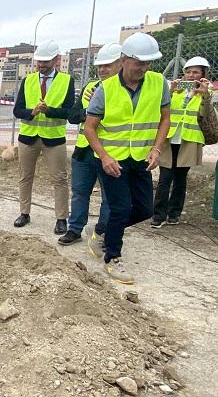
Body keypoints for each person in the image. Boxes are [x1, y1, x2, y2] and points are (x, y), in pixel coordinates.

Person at [85, 32, 171, 285]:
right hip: (112, 160)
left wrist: (156, 149)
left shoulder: (158, 83)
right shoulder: (106, 89)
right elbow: (90, 127)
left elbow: (165, 119)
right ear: (124, 60)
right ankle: (112, 257)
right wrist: (104, 157)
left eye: (148, 63)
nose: (143, 68)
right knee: (121, 207)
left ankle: (101, 230)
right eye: (138, 63)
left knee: (144, 209)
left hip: (141, 158)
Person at [58, 43, 121, 248]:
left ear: (121, 64)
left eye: (107, 65)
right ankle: (75, 229)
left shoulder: (124, 91)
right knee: (80, 191)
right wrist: (89, 111)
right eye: (100, 66)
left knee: (109, 196)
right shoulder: (90, 87)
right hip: (85, 150)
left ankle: (103, 231)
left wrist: (99, 107)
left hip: (111, 151)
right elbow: (73, 116)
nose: (102, 70)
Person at [12, 39, 75, 234]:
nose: (41, 65)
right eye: (39, 62)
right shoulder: (28, 80)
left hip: (53, 139)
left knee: (60, 179)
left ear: (56, 60)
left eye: (45, 62)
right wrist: (31, 112)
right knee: (25, 177)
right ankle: (24, 213)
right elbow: (17, 110)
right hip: (28, 137)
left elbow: (70, 112)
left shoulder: (67, 81)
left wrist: (50, 111)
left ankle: (61, 218)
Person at [152, 56, 213, 228]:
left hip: (189, 141)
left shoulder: (206, 92)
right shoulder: (176, 91)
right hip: (169, 139)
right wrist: (170, 91)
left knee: (180, 179)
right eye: (188, 72)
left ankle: (174, 214)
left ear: (203, 74)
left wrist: (205, 95)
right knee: (165, 178)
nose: (191, 75)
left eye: (196, 72)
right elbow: (161, 110)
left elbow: (206, 114)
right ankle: (158, 215)